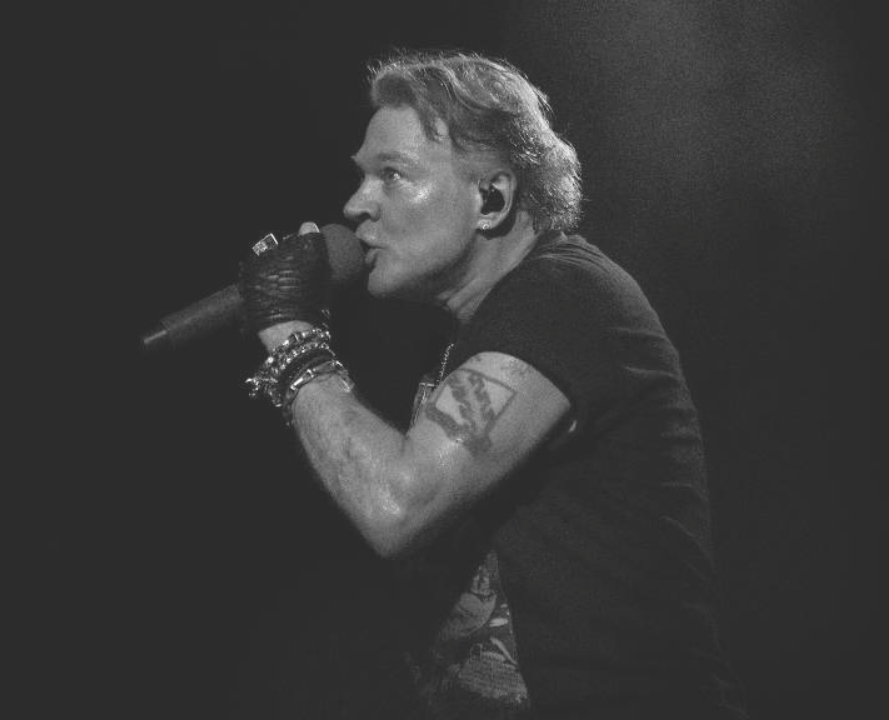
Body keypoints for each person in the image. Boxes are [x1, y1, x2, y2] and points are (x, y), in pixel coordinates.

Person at [237, 51, 748, 719]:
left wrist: (291, 336)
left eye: (392, 174)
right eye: (363, 177)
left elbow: (397, 504)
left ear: (492, 197)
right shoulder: (464, 333)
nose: (356, 204)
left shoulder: (563, 298)